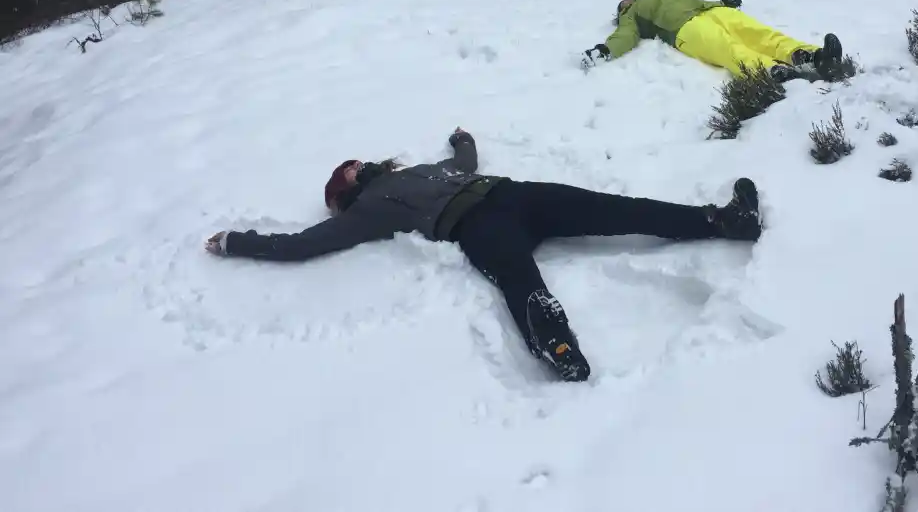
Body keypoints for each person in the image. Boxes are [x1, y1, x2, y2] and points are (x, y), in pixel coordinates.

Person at [204, 128, 763, 383]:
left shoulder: (413, 172)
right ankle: (558, 347)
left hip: (514, 194)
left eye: (355, 161)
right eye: (350, 169)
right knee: (519, 277)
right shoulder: (367, 208)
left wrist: (461, 143)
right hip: (476, 224)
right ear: (346, 190)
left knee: (615, 209)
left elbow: (462, 169)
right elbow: (306, 244)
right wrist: (240, 242)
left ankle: (721, 221)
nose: (360, 163)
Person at [582, 0, 844, 83]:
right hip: (684, 29)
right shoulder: (631, 14)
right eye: (622, 1)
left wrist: (721, 1)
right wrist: (606, 49)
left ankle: (810, 56)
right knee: (728, 49)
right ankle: (773, 74)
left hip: (708, 10)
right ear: (622, 9)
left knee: (758, 32)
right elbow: (625, 35)